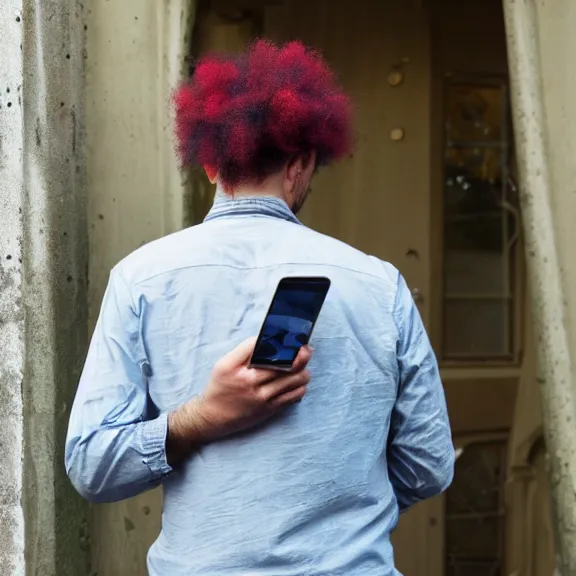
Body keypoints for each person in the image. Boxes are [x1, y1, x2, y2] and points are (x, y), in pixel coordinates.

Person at [65, 39, 454, 575]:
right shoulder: (379, 285)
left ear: (206, 162)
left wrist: (192, 423)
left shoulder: (140, 280)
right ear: (303, 162)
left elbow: (92, 466)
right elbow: (428, 466)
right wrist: (345, 505)